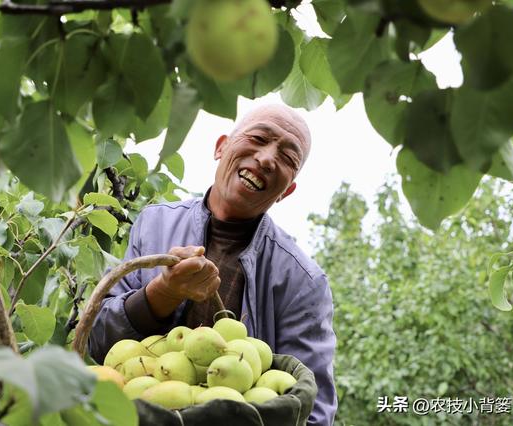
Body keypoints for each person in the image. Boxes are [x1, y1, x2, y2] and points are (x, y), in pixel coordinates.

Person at [88, 104, 337, 425]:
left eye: (287, 158)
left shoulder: (303, 281)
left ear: (286, 192)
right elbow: (99, 343)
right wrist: (163, 293)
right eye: (259, 137)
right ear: (221, 147)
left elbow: (313, 411)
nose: (266, 158)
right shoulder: (154, 224)